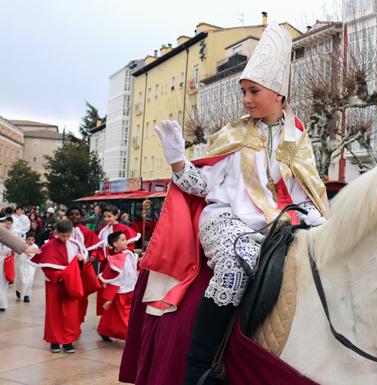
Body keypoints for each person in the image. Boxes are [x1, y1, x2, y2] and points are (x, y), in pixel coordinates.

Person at [120, 22, 329, 385]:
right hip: (225, 218)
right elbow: (199, 186)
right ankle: (199, 366)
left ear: (278, 93)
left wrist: (314, 215)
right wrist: (176, 159)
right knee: (239, 261)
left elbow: (305, 185)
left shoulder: (298, 136)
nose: (246, 99)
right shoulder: (232, 133)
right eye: (243, 91)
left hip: (278, 220)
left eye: (253, 91)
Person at [27, 220, 85, 352]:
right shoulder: (48, 246)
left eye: (67, 236)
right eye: (62, 236)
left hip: (70, 283)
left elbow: (80, 265)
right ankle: (54, 341)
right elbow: (45, 266)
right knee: (54, 312)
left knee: (70, 313)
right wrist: (60, 276)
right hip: (54, 284)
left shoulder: (75, 245)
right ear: (56, 233)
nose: (65, 239)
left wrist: (80, 260)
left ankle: (68, 341)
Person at [95, 205, 139, 315]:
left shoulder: (123, 229)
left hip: (121, 264)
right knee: (107, 288)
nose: (106, 219)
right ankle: (107, 314)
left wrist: (116, 251)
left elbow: (130, 246)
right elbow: (99, 247)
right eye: (104, 216)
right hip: (106, 263)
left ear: (116, 215)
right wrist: (105, 251)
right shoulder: (102, 230)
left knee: (119, 289)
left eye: (109, 216)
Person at [97, 231, 138, 342]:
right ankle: (130, 337)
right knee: (123, 317)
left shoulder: (128, 254)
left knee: (112, 315)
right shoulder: (114, 261)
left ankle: (104, 330)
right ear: (115, 244)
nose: (126, 241)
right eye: (123, 239)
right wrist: (109, 298)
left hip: (130, 290)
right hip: (120, 293)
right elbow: (113, 280)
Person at [67, 206, 103, 321]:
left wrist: (92, 256)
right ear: (68, 216)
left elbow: (95, 247)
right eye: (72, 214)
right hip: (67, 267)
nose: (74, 216)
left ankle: (79, 317)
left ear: (81, 216)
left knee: (82, 293)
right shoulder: (64, 230)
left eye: (77, 214)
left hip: (83, 267)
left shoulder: (86, 231)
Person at [15, 232, 39, 303]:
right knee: (21, 280)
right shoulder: (21, 246)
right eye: (29, 239)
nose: (30, 241)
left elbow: (36, 256)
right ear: (25, 240)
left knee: (30, 280)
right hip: (21, 265)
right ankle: (18, 289)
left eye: (32, 240)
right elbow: (16, 255)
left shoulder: (35, 247)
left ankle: (26, 295)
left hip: (31, 266)